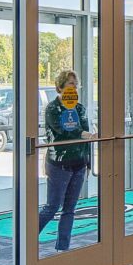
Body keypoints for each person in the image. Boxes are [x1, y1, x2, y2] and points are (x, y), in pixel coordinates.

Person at [40, 69, 92, 252]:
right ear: (60, 88)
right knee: (52, 206)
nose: (74, 89)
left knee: (70, 209)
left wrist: (88, 163)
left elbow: (88, 136)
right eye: (70, 84)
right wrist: (81, 133)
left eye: (75, 85)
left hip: (78, 163)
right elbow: (63, 131)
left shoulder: (80, 108)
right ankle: (27, 237)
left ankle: (63, 247)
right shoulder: (53, 109)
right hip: (59, 164)